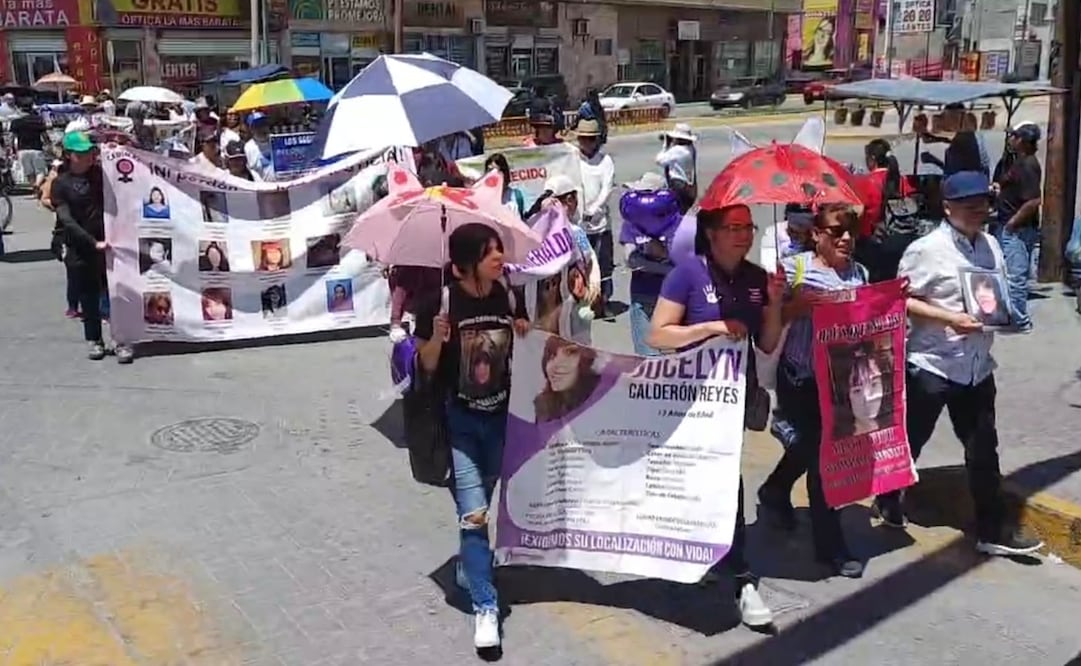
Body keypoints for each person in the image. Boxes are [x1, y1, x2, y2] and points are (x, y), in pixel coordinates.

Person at [871, 171, 1044, 558]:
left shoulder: (990, 246)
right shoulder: (926, 250)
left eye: (982, 204)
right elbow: (900, 300)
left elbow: (991, 294)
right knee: (911, 440)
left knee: (983, 451)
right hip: (933, 365)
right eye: (968, 205)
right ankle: (887, 495)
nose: (978, 211)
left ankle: (992, 529)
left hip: (977, 367)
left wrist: (1004, 315)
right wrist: (949, 319)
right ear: (948, 208)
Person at [647, 203, 785, 628]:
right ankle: (700, 557)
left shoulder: (758, 279)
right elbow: (657, 334)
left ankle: (740, 577)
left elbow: (766, 343)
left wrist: (776, 304)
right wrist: (710, 327)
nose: (744, 235)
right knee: (696, 480)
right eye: (734, 227)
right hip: (688, 401)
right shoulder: (687, 273)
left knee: (727, 480)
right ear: (711, 233)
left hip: (731, 400)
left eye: (749, 227)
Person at [413, 223, 529, 651]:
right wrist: (437, 341)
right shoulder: (439, 302)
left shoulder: (508, 295)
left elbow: (528, 345)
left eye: (498, 249)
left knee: (484, 503)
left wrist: (532, 322)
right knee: (475, 515)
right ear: (463, 266)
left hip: (500, 421)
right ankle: (486, 607)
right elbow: (423, 367)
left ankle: (469, 566)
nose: (498, 257)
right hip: (458, 423)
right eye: (488, 252)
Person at [757, 203, 868, 578]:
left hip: (839, 382)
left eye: (850, 231)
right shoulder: (794, 269)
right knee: (823, 459)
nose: (846, 239)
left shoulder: (859, 274)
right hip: (799, 376)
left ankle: (774, 489)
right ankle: (831, 546)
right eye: (837, 232)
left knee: (809, 448)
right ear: (817, 234)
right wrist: (793, 306)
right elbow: (769, 322)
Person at [51, 131, 133, 364]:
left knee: (116, 294)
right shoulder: (61, 183)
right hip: (81, 246)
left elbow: (127, 173)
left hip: (110, 243)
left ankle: (121, 341)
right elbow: (66, 219)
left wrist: (120, 148)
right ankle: (95, 340)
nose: (89, 156)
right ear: (69, 155)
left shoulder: (101, 174)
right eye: (82, 153)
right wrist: (91, 241)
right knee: (88, 297)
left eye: (90, 152)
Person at [619, 172, 682, 356]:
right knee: (647, 359)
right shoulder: (632, 222)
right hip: (643, 295)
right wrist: (665, 266)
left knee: (681, 357)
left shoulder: (678, 223)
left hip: (674, 299)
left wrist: (663, 254)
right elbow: (630, 259)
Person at [991, 121, 1042, 333]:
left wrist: (1012, 223)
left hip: (1017, 229)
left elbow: (1033, 201)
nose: (1011, 139)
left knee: (1015, 277)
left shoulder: (1028, 165)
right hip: (1009, 224)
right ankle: (1010, 315)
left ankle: (1019, 321)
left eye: (1014, 136)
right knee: (1007, 274)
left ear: (1021, 139)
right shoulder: (1017, 162)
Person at [576, 119, 616, 318]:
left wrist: (594, 208)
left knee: (603, 263)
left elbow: (607, 188)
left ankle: (603, 301)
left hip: (600, 223)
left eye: (590, 139)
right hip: (580, 224)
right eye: (583, 139)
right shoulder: (574, 160)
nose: (587, 143)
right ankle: (586, 300)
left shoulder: (605, 161)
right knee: (583, 264)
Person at [533, 336, 602, 422]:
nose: (555, 366)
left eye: (570, 352)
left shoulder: (604, 398)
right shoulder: (543, 405)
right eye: (552, 356)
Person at [656, 123, 698, 213]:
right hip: (689, 186)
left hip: (678, 185)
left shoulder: (678, 151)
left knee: (677, 211)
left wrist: (666, 146)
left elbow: (659, 160)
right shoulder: (691, 149)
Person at [10, 100, 49, 192]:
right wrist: (48, 144)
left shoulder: (16, 122)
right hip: (37, 148)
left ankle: (34, 188)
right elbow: (45, 135)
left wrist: (13, 149)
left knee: (29, 172)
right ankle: (37, 184)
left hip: (22, 149)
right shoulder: (38, 120)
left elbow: (12, 137)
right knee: (40, 171)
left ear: (19, 109)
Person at [483, 153, 526, 219]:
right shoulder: (482, 199)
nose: (493, 175)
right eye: (490, 171)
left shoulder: (516, 196)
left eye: (497, 171)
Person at [244, 112, 274, 181]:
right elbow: (252, 170)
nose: (261, 128)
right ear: (251, 129)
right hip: (263, 187)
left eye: (263, 124)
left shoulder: (277, 140)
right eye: (257, 126)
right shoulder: (249, 147)